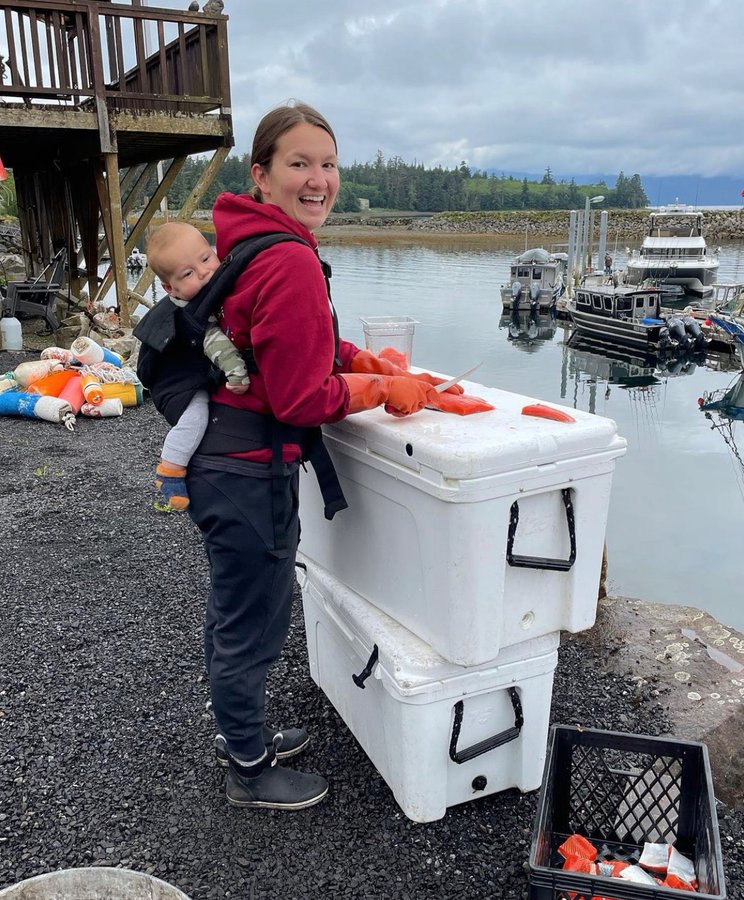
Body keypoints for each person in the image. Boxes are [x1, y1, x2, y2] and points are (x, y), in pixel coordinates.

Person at [185, 101, 470, 812]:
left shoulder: (253, 240)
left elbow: (273, 341)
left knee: (239, 608)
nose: (319, 180)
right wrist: (382, 386)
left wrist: (355, 355)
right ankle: (248, 769)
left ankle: (242, 735)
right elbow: (300, 398)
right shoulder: (289, 259)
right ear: (262, 175)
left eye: (329, 164)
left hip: (224, 461)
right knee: (252, 619)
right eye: (299, 164)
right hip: (251, 469)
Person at [143, 222, 251, 511]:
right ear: (170, 288)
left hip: (187, 371)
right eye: (188, 273)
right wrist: (238, 374)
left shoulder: (205, 289)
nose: (204, 272)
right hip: (175, 383)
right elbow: (216, 344)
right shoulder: (194, 309)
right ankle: (170, 469)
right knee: (196, 417)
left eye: (206, 258)